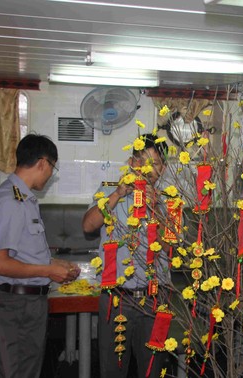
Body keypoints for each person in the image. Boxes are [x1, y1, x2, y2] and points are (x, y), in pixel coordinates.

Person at [0, 134, 81, 378]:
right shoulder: (10, 201)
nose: (50, 175)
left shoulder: (23, 197)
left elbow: (22, 253)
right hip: (18, 306)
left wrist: (53, 263)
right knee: (19, 372)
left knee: (28, 370)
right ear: (43, 163)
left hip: (28, 304)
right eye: (52, 168)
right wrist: (48, 271)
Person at [82, 134, 171, 378]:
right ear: (132, 162)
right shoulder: (110, 192)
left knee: (153, 370)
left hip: (155, 300)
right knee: (113, 370)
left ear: (162, 168)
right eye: (142, 161)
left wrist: (156, 210)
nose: (147, 169)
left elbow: (171, 251)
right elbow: (88, 226)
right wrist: (118, 194)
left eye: (154, 163)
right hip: (117, 298)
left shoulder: (169, 200)